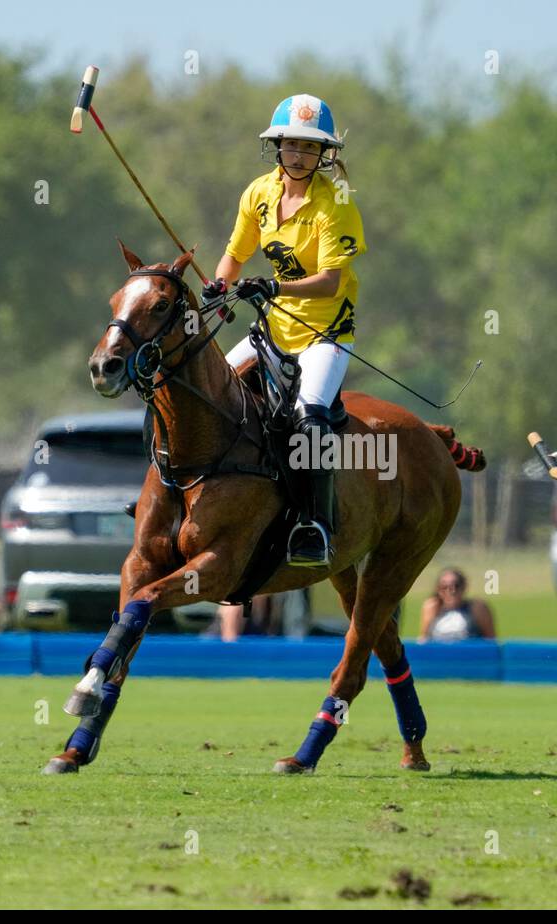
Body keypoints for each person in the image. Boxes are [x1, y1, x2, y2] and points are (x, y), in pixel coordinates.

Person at [203, 94, 366, 568]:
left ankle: (315, 523)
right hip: (271, 334)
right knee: (207, 392)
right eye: (291, 144)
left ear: (324, 155)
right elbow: (234, 255)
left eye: (309, 147)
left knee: (310, 417)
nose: (298, 155)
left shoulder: (335, 203)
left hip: (324, 336)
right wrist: (220, 285)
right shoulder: (258, 193)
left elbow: (331, 281)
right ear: (277, 146)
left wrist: (274, 284)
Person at [419, 568, 496, 642]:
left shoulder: (477, 608)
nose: (451, 591)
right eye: (444, 587)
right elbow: (424, 640)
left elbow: (491, 641)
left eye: (456, 586)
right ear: (438, 589)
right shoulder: (433, 608)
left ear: (464, 587)